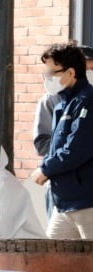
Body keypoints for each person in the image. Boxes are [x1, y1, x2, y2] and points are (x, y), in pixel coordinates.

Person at [31, 43, 93, 239]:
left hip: (86, 202)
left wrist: (45, 169)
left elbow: (77, 148)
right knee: (52, 262)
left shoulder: (87, 101)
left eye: (52, 73)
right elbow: (51, 146)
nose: (48, 79)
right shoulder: (62, 105)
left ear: (71, 73)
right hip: (64, 203)